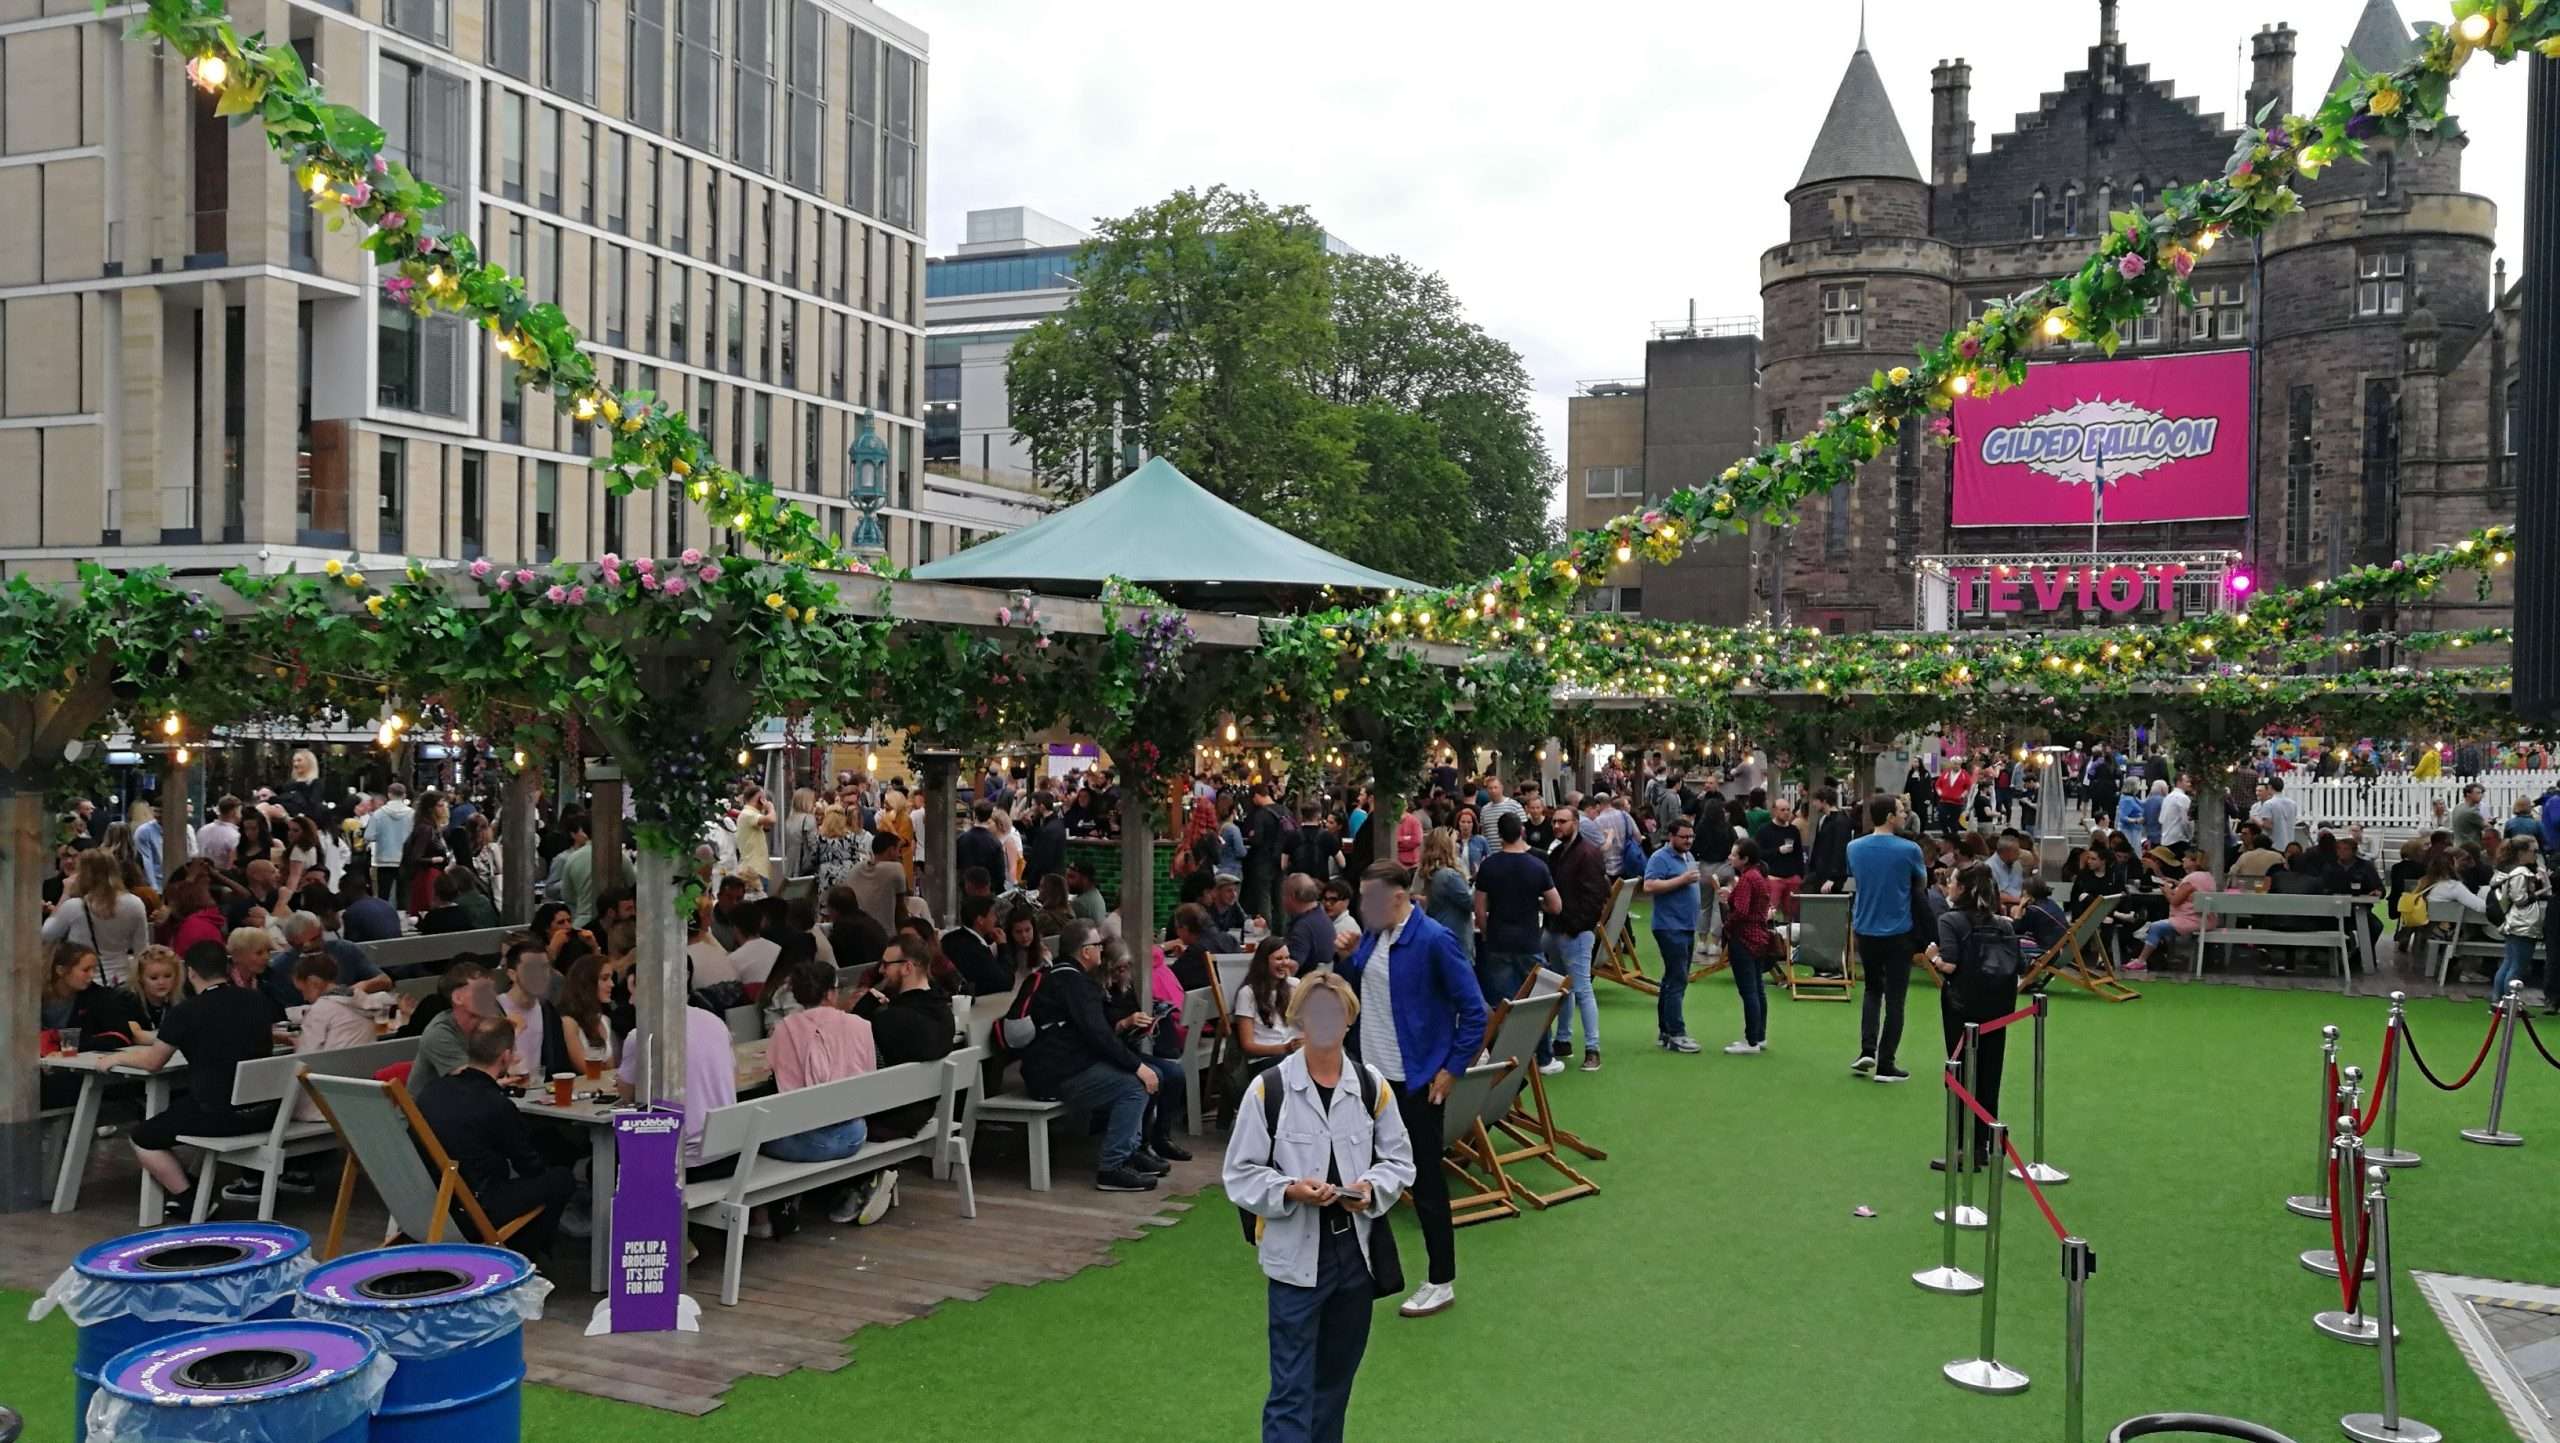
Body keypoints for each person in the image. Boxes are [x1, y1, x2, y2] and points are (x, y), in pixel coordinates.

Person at [1224, 970, 1415, 1443]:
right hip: (1295, 1259)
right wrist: (1290, 1189)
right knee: (1291, 1391)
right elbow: (1239, 1173)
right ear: (1299, 1021)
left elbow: (1399, 1160)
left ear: (1350, 1021)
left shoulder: (1372, 1087)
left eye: (1337, 1013)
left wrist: (1371, 1187)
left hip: (1355, 1257)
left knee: (1335, 1384)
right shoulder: (1268, 1089)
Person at [1338, 861, 1487, 1320]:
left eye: (1370, 898)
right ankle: (1364, 1269)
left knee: (1425, 1181)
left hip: (1416, 1083)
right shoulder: (1373, 937)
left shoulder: (1434, 940)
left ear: (1398, 897)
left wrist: (1451, 1070)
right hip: (1370, 1080)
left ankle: (1440, 1280)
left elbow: (1475, 1011)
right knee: (1358, 1174)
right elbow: (1358, 993)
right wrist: (1345, 957)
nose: (1363, 906)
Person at [82, 942, 281, 1218]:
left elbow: (153, 1062)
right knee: (184, 1106)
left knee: (144, 1136)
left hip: (220, 1115)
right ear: (227, 969)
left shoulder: (187, 1012)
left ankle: (189, 1198)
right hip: (265, 1112)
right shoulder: (256, 1000)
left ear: (190, 973)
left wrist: (117, 1059)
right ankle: (193, 1186)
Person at [1020, 921, 1164, 1192]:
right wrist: (1137, 1066)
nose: (1101, 950)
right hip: (1058, 1075)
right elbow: (1098, 1035)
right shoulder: (1076, 984)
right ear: (1085, 951)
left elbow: (1096, 1035)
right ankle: (1112, 1166)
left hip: (1057, 1067)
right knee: (1134, 1086)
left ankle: (1129, 1151)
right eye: (1097, 945)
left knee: (1138, 1078)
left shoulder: (1061, 976)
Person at [413, 1018, 576, 1251]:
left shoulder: (432, 1091)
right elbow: (529, 1166)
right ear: (505, 1057)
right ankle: (523, 1249)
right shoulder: (495, 1104)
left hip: (436, 1201)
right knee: (560, 1178)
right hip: (477, 1207)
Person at [1929, 862, 2024, 1169]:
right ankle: (1982, 1145)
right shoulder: (2004, 924)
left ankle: (1960, 1148)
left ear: (1963, 889)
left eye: (1953, 882)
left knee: (1960, 1071)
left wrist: (1933, 957)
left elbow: (1951, 964)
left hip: (1962, 1006)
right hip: (1997, 1007)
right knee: (1989, 1074)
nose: (1949, 886)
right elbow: (2019, 963)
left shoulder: (1950, 920)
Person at [1846, 795, 1927, 1083]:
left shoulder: (1854, 848)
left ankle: (1867, 1048)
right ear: (1891, 816)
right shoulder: (1910, 850)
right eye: (1901, 811)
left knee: (1872, 989)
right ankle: (1886, 1062)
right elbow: (1921, 883)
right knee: (1896, 999)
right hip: (1898, 929)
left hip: (1865, 927)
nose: (1904, 815)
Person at [1472, 811, 1559, 1025]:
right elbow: (1556, 906)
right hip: (1528, 939)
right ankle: (1542, 1053)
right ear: (1522, 831)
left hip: (1498, 939)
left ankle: (1505, 1050)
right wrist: (1539, 904)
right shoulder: (1537, 865)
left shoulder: (1489, 866)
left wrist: (1485, 932)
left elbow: (1480, 909)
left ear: (1499, 834)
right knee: (1535, 1002)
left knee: (1503, 1003)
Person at [1541, 804, 1608, 1071]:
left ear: (1576, 823)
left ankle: (1593, 1049)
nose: (1557, 826)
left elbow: (1596, 897)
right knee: (1562, 989)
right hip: (1557, 929)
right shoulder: (1557, 853)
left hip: (1576, 932)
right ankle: (1563, 1040)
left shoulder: (1588, 854)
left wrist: (1577, 926)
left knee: (1582, 990)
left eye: (1562, 822)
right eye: (1555, 822)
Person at [1640, 816, 1705, 1054]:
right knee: (1678, 979)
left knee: (1672, 979)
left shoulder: (1687, 856)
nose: (1688, 841)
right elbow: (1649, 886)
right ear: (1671, 836)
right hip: (1669, 926)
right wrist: (1682, 880)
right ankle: (1677, 1032)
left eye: (1691, 837)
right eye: (1684, 837)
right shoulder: (1660, 858)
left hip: (1687, 925)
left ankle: (1665, 1030)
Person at [43, 849, 152, 984]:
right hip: (121, 979)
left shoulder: (74, 906)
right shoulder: (135, 903)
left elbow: (47, 933)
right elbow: (141, 949)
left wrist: (66, 893)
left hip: (83, 980)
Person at [1718, 839, 1777, 1055]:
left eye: (1734, 855)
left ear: (1745, 859)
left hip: (1744, 939)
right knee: (1758, 989)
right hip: (1759, 938)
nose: (1730, 858)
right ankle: (1758, 1036)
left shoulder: (1746, 879)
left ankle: (1751, 1040)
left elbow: (1741, 911)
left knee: (1749, 991)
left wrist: (1727, 924)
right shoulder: (1757, 876)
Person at [2126, 845, 2219, 972]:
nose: (2183, 860)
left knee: (2155, 927)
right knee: (2157, 926)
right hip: (2206, 919)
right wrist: (2176, 883)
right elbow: (2190, 891)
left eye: (2186, 858)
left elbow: (2174, 901)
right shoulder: (2207, 876)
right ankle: (2146, 958)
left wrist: (2167, 891)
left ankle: (2141, 960)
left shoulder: (2191, 879)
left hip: (2192, 920)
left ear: (2193, 862)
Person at [1230, 936, 1301, 1086]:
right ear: (1264, 962)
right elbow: (1248, 1045)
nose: (1285, 963)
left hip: (1293, 1054)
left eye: (1287, 958)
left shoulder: (1294, 986)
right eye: (1279, 958)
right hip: (1264, 1060)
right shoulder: (1248, 993)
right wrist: (1284, 1049)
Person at [2489, 837, 2548, 998]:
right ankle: (2509, 1003)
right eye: (2534, 851)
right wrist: (2541, 890)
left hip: (2515, 921)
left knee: (2509, 963)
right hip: (2523, 923)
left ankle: (2498, 1001)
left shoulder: (2509, 871)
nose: (2536, 854)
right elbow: (2520, 899)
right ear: (2522, 852)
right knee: (2517, 966)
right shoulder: (2520, 872)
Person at [940, 894, 1011, 995]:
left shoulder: (949, 938)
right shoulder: (975, 949)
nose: (996, 918)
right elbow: (1005, 982)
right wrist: (1003, 946)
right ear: (980, 920)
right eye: (992, 914)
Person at [559, 952, 616, 1076]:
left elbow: (612, 1070)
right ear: (587, 982)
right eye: (604, 978)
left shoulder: (605, 1020)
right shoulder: (569, 1023)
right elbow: (587, 1070)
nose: (612, 984)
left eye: (611, 978)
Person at [851, 831, 907, 934]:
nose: (900, 855)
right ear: (891, 851)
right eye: (899, 850)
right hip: (884, 934)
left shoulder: (856, 869)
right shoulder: (895, 869)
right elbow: (901, 908)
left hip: (856, 931)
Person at [1282, 873, 1338, 975]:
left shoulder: (1303, 927)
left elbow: (1290, 968)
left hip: (1305, 986)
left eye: (1284, 894)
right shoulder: (1322, 916)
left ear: (1293, 896)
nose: (1282, 899)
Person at [734, 786, 774, 884]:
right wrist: (770, 808)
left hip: (756, 868)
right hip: (754, 870)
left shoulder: (751, 814)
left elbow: (767, 827)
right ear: (760, 798)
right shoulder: (749, 814)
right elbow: (772, 820)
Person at [2251, 776, 2303, 852]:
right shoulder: (2292, 803)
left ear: (2270, 787)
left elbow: (2267, 825)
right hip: (2289, 843)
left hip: (2274, 844)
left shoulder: (2269, 804)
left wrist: (2254, 818)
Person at [2449, 783, 2489, 851]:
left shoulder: (2457, 807)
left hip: (2457, 845)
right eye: (2478, 793)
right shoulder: (2472, 811)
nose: (2481, 796)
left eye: (2481, 793)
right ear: (2468, 794)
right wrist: (2491, 823)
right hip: (2470, 848)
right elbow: (2487, 827)